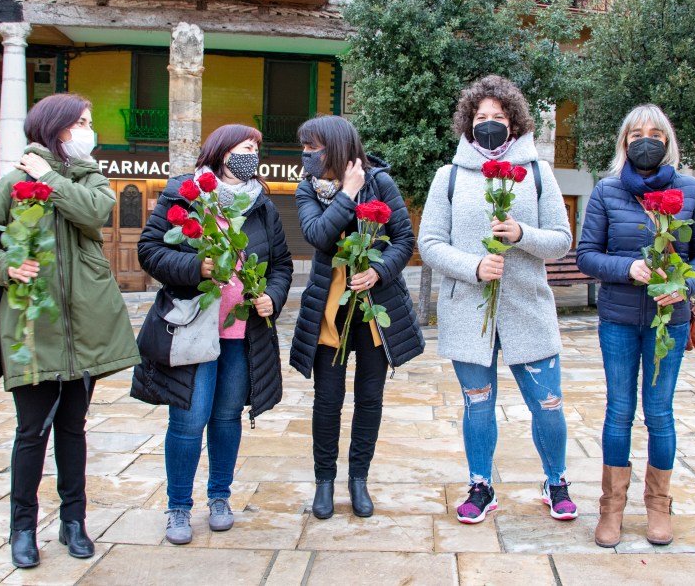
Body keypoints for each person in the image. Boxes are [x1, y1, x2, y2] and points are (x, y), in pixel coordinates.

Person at [0, 93, 140, 569]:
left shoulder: (90, 176)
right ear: (57, 127)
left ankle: (73, 521)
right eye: (82, 122)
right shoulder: (14, 183)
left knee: (73, 430)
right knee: (31, 432)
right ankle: (22, 528)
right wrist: (7, 265)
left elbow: (94, 212)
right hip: (33, 330)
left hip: (86, 329)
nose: (89, 131)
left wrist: (49, 179)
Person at [418, 75, 576, 525]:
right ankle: (480, 485)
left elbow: (562, 240)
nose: (489, 123)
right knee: (478, 403)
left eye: (499, 117)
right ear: (469, 123)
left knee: (548, 403)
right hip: (469, 312)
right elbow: (430, 243)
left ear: (514, 123)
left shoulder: (538, 173)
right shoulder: (448, 177)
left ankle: (556, 481)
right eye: (481, 116)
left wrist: (522, 234)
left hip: (528, 307)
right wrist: (474, 266)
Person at [131, 124, 293, 545]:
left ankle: (220, 497)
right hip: (192, 328)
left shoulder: (262, 205)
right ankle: (178, 506)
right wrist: (194, 268)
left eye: (256, 148)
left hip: (242, 332)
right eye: (245, 147)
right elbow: (150, 250)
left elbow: (281, 264)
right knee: (188, 419)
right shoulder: (184, 194)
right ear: (222, 152)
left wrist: (272, 297)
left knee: (226, 417)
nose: (252, 155)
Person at [576, 103, 695, 548]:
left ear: (668, 141)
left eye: (655, 134)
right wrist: (627, 268)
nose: (646, 142)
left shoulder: (691, 190)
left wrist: (685, 286)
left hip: (669, 321)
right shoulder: (606, 191)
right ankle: (612, 508)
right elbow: (586, 255)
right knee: (619, 411)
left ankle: (658, 506)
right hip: (618, 319)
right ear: (624, 142)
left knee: (659, 412)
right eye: (636, 134)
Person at [290, 115, 424, 520]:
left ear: (336, 146)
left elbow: (404, 239)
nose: (306, 155)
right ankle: (324, 481)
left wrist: (379, 270)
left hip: (372, 310)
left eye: (313, 147)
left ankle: (359, 479)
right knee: (327, 399)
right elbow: (318, 236)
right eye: (304, 147)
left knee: (369, 397)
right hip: (329, 310)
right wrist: (347, 192)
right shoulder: (307, 189)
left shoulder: (380, 182)